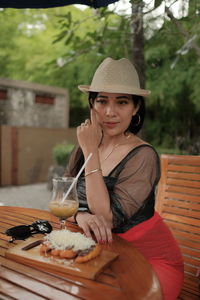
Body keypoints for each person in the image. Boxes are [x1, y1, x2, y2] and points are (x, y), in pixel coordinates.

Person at [65, 57, 184, 300]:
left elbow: (107, 220)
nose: (110, 112)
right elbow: (62, 197)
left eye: (121, 102)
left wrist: (91, 151)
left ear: (136, 108)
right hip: (100, 254)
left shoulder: (143, 156)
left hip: (149, 260)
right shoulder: (83, 147)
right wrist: (80, 214)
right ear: (91, 105)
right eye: (102, 101)